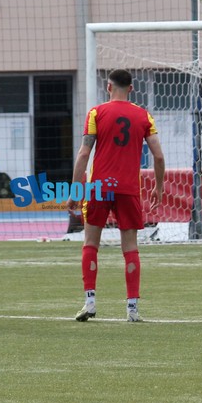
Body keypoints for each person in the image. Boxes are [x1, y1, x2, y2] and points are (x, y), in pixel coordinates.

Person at [67, 69, 165, 323]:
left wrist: (76, 190)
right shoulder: (144, 116)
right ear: (131, 88)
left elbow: (84, 154)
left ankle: (90, 302)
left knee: (91, 243)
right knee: (130, 248)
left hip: (100, 187)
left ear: (108, 87)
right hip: (129, 189)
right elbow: (158, 156)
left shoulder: (96, 113)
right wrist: (159, 187)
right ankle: (132, 309)